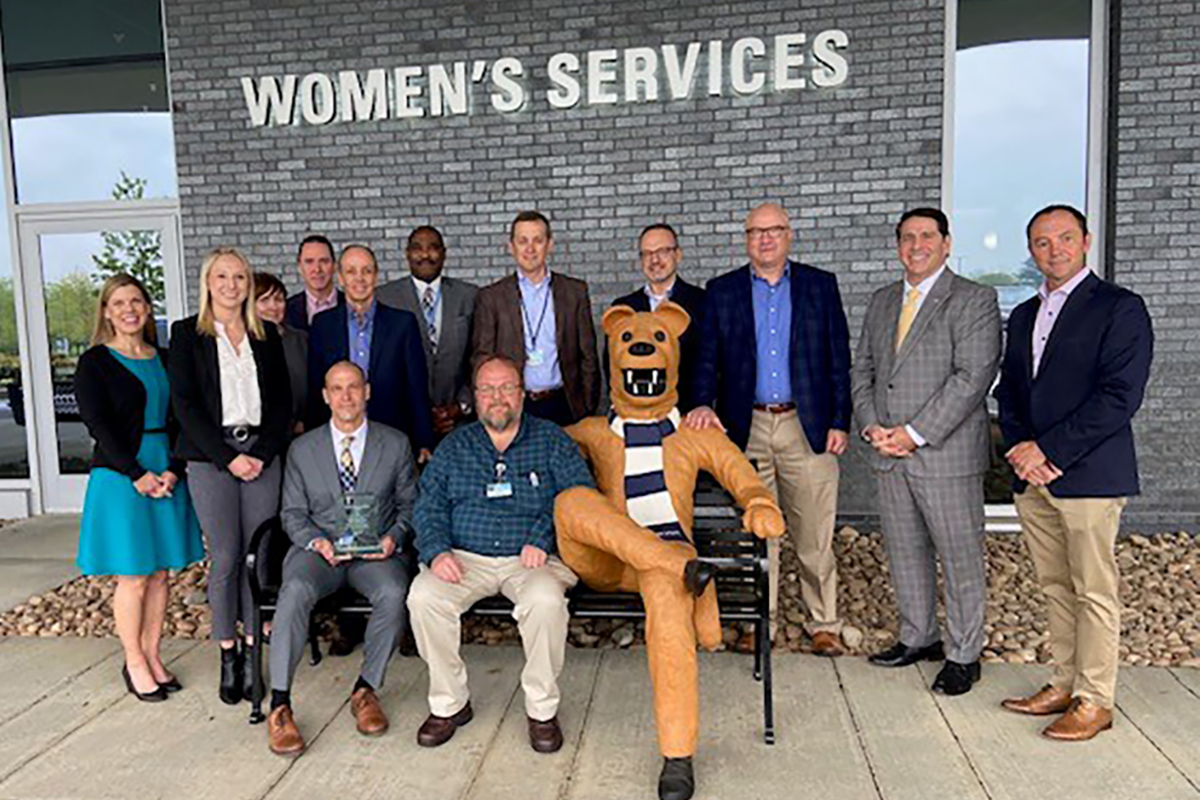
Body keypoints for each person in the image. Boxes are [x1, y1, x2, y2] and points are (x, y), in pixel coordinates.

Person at [994, 204, 1153, 740]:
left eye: (1064, 238)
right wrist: (1018, 444)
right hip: (1032, 477)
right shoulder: (1021, 315)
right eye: (1041, 242)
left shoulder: (1119, 309)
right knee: (1056, 586)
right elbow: (1010, 392)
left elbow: (1119, 397)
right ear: (1032, 250)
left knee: (1093, 590)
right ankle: (1063, 683)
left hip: (1086, 475)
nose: (1053, 249)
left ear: (1085, 241)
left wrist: (1049, 451)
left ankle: (1095, 699)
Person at [686, 202, 852, 656]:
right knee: (759, 532)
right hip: (748, 426)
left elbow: (839, 358)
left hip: (808, 425)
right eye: (755, 232)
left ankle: (825, 624)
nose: (765, 239)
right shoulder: (723, 291)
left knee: (814, 533)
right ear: (746, 239)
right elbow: (706, 360)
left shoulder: (820, 286)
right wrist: (701, 403)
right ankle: (765, 622)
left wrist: (841, 420)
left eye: (774, 230)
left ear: (788, 234)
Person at [407, 355, 593, 753]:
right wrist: (437, 551)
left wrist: (543, 538)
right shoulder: (455, 445)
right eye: (488, 389)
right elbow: (428, 506)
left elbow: (579, 497)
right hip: (464, 558)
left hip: (533, 559)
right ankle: (450, 704)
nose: (498, 398)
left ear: (522, 395)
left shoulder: (552, 439)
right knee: (423, 597)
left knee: (544, 602)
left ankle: (542, 710)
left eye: (507, 387)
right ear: (475, 398)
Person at [850, 208, 1001, 695]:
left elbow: (972, 377)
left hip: (944, 453)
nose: (917, 245)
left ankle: (964, 653)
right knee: (905, 551)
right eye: (907, 237)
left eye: (927, 236)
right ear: (898, 246)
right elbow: (864, 371)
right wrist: (873, 426)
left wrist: (913, 432)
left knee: (959, 557)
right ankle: (919, 637)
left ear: (946, 243)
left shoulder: (973, 299)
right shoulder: (881, 301)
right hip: (887, 451)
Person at [266, 361, 418, 755]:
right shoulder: (303, 449)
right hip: (320, 552)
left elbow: (409, 505)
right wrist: (316, 542)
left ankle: (365, 690)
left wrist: (394, 537)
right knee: (295, 588)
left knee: (394, 591)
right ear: (325, 395)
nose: (346, 396)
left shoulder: (395, 443)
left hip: (375, 554)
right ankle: (280, 704)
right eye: (337, 388)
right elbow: (292, 513)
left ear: (367, 391)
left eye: (353, 387)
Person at [169, 247, 291, 705]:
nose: (231, 285)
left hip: (261, 451)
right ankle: (228, 651)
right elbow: (185, 405)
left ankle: (255, 646)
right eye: (222, 276)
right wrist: (227, 458)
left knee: (257, 554)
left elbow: (281, 403)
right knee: (224, 554)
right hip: (210, 455)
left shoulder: (265, 335)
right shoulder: (187, 334)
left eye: (239, 276)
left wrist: (259, 453)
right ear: (208, 282)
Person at [75, 274, 206, 702]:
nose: (129, 309)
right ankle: (132, 661)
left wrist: (172, 468)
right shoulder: (94, 362)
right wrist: (137, 474)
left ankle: (152, 654)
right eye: (119, 303)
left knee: (162, 573)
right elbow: (99, 425)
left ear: (148, 309)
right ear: (107, 312)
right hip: (121, 475)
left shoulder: (165, 358)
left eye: (136, 301)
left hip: (165, 468)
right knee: (133, 575)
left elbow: (181, 417)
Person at [472, 211, 600, 426]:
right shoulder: (491, 297)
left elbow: (588, 355)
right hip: (514, 405)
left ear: (549, 245)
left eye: (537, 240)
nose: (530, 249)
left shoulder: (574, 291)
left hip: (564, 403)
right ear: (511, 247)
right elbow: (482, 357)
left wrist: (586, 406)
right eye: (522, 241)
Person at [307, 244, 434, 460]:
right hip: (338, 437)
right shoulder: (322, 325)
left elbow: (417, 386)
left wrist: (424, 440)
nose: (360, 278)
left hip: (392, 433)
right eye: (351, 271)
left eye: (367, 271)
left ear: (376, 276)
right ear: (340, 278)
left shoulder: (402, 323)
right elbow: (316, 387)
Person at [377, 225, 478, 438]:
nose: (425, 254)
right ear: (407, 254)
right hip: (404, 427)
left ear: (444, 253)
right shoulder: (384, 298)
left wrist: (461, 406)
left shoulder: (470, 296)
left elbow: (479, 357)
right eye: (417, 248)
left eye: (433, 248)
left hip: (460, 424)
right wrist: (419, 413)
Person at [610, 223, 706, 411]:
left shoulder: (703, 302)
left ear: (678, 255)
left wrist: (702, 405)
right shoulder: (624, 306)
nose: (654, 259)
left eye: (663, 251)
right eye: (647, 253)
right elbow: (612, 363)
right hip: (636, 415)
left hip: (689, 415)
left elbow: (710, 363)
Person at [255, 272, 307, 435]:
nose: (273, 306)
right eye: (264, 300)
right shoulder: (243, 343)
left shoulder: (301, 340)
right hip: (260, 437)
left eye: (278, 299)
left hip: (299, 432)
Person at [285, 234, 344, 332]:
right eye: (309, 262)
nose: (317, 269)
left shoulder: (352, 306)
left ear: (334, 266)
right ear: (300, 267)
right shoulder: (286, 311)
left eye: (324, 261)